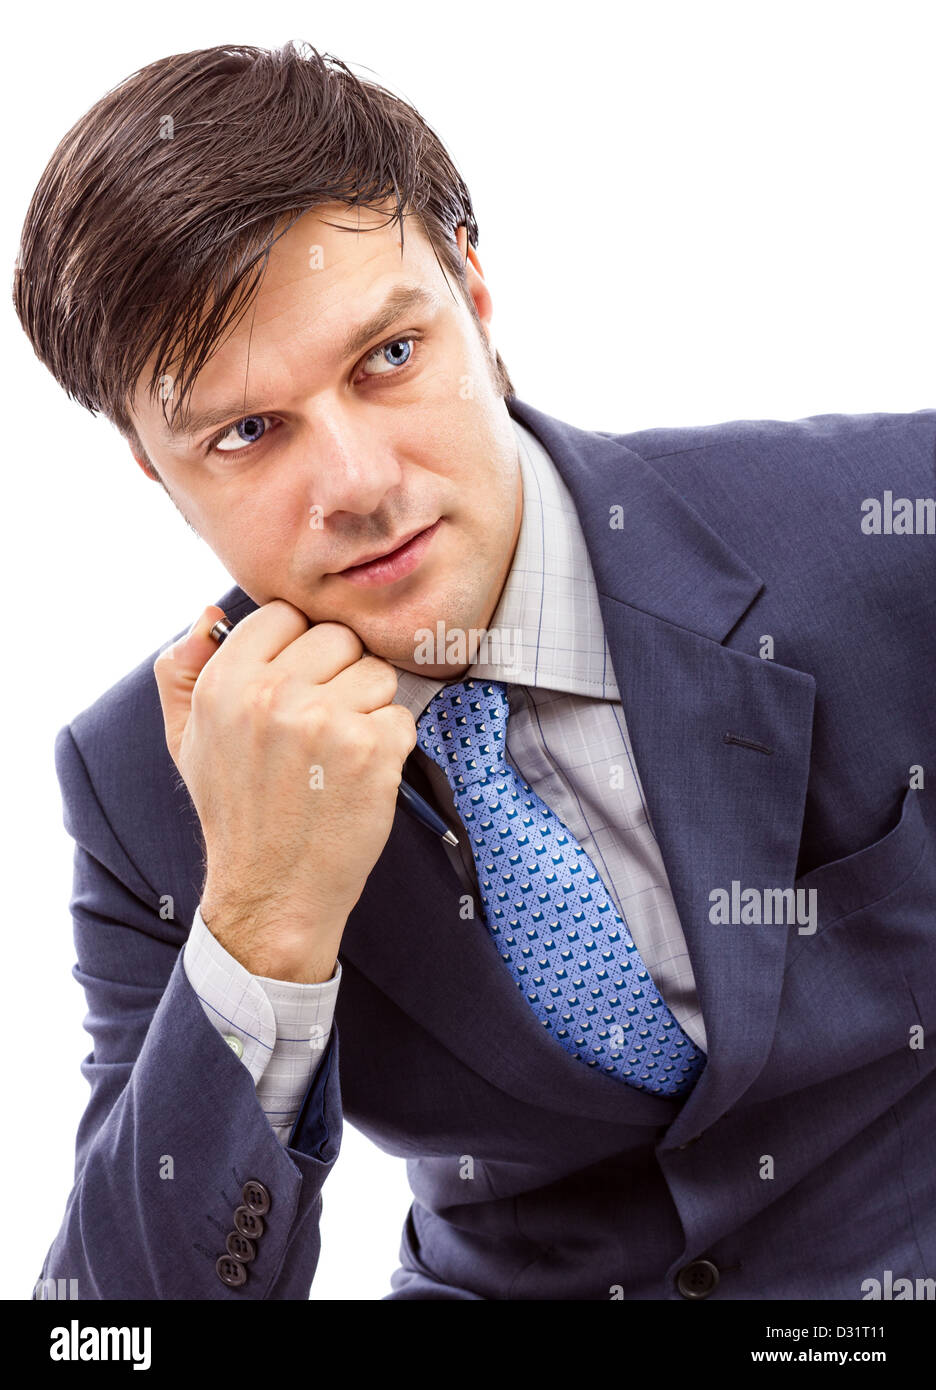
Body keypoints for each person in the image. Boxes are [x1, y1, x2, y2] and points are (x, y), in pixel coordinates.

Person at [14, 40, 935, 1301]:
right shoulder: (144, 780)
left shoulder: (886, 527)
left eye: (386, 357)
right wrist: (265, 921)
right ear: (156, 472)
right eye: (245, 431)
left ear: (475, 293)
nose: (359, 485)